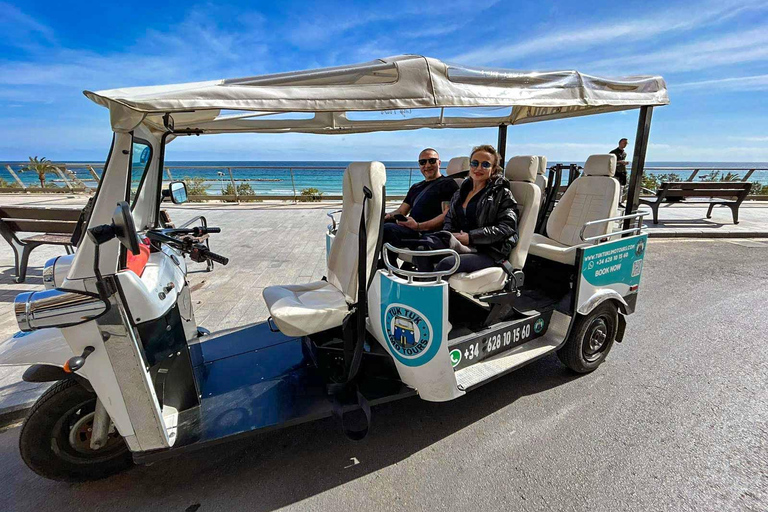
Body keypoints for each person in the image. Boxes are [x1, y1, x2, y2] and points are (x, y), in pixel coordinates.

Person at [416, 144, 519, 274]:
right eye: (474, 163)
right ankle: (424, 291)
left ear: (493, 169)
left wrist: (471, 237)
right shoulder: (461, 192)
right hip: (460, 244)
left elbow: (507, 227)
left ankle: (430, 293)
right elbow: (449, 219)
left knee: (448, 264)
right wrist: (450, 235)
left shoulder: (502, 194)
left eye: (485, 165)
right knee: (421, 250)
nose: (478, 168)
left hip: (488, 250)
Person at [381, 148, 459, 265]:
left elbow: (446, 215)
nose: (427, 165)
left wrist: (419, 226)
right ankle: (389, 266)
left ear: (439, 163)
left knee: (387, 229)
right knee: (380, 225)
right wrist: (388, 215)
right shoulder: (416, 187)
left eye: (432, 161)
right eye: (423, 162)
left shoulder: (448, 184)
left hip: (428, 233)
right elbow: (402, 211)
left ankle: (389, 266)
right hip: (411, 229)